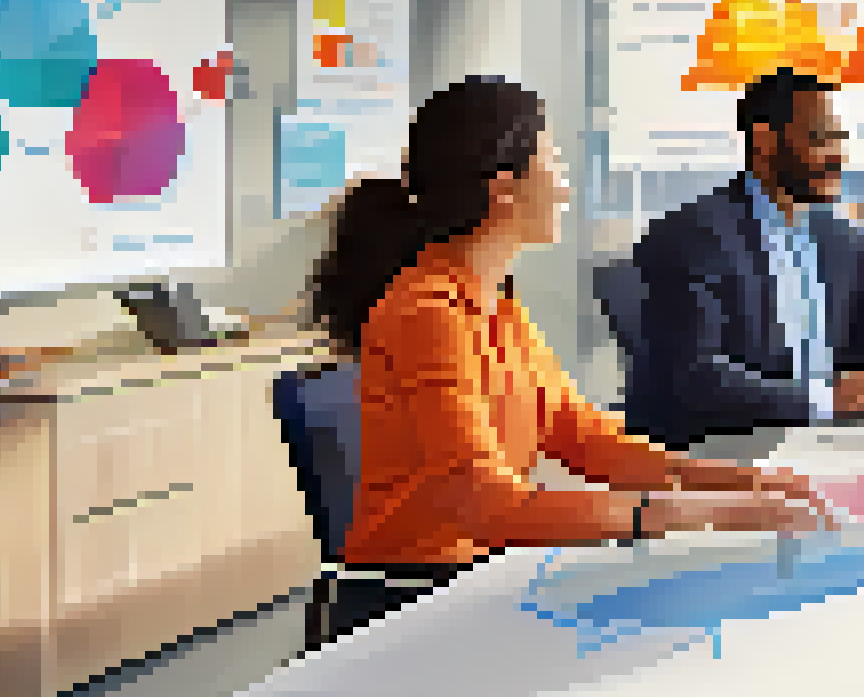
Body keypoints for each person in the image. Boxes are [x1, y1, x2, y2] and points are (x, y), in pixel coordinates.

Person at [306, 77, 828, 649]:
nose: (564, 187)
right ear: (504, 189)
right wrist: (683, 514)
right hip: (410, 605)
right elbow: (486, 503)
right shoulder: (424, 314)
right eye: (553, 162)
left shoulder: (497, 305)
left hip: (475, 581)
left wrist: (739, 484)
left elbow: (582, 438)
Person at [619, 68, 864, 449]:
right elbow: (692, 376)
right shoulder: (688, 236)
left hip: (828, 445)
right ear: (764, 141)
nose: (837, 155)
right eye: (820, 138)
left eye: (840, 139)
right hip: (718, 453)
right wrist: (825, 401)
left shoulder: (844, 241)